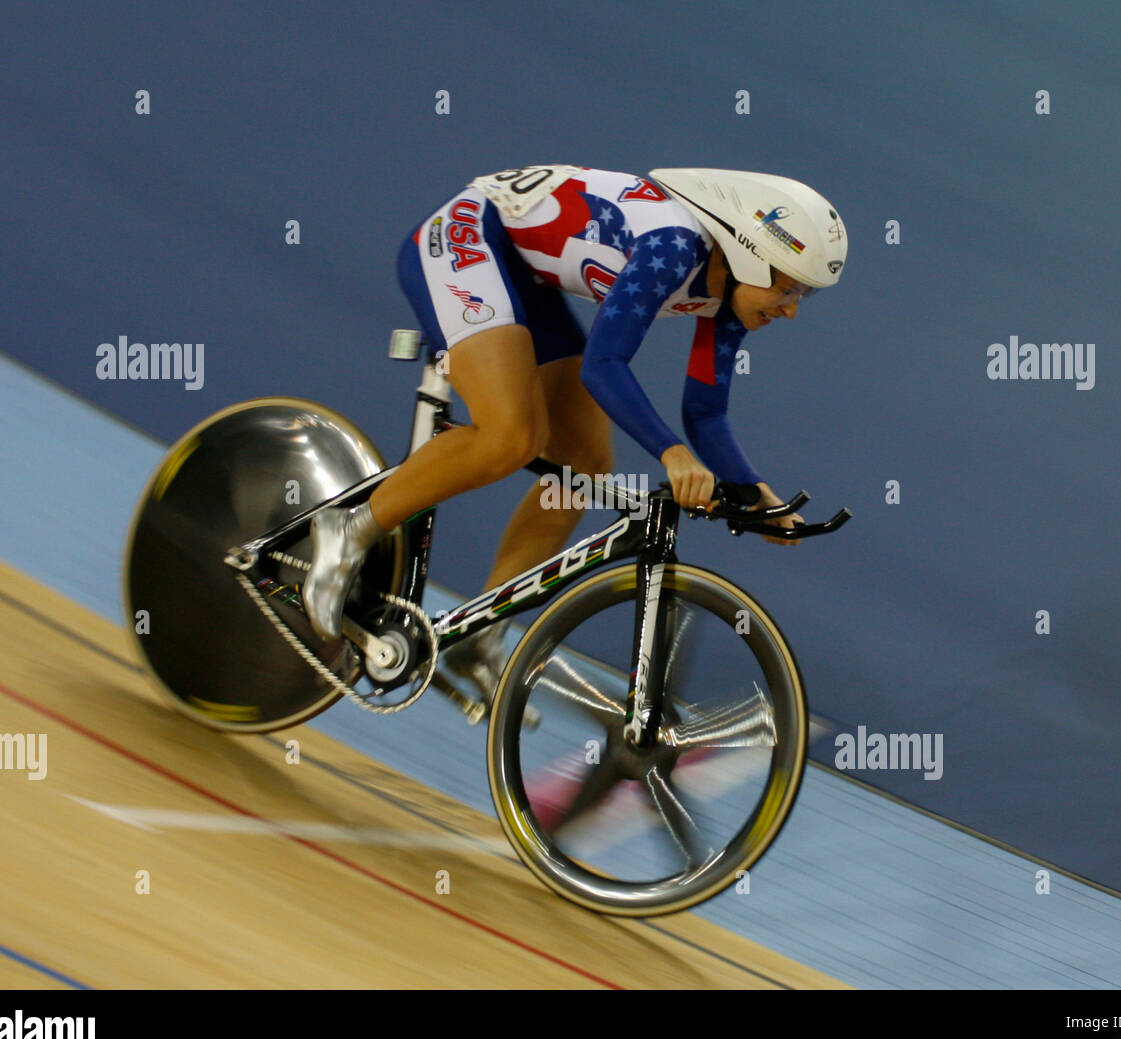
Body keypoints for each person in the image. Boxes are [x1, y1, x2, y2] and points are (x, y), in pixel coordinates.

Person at [302, 165, 848, 703]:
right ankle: (347, 530)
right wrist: (671, 454)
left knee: (582, 471)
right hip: (472, 237)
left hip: (523, 270)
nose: (793, 310)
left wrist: (758, 496)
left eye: (806, 294)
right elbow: (604, 364)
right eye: (789, 287)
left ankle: (480, 632)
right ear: (750, 255)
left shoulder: (734, 289)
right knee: (510, 437)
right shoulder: (674, 248)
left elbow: (704, 410)